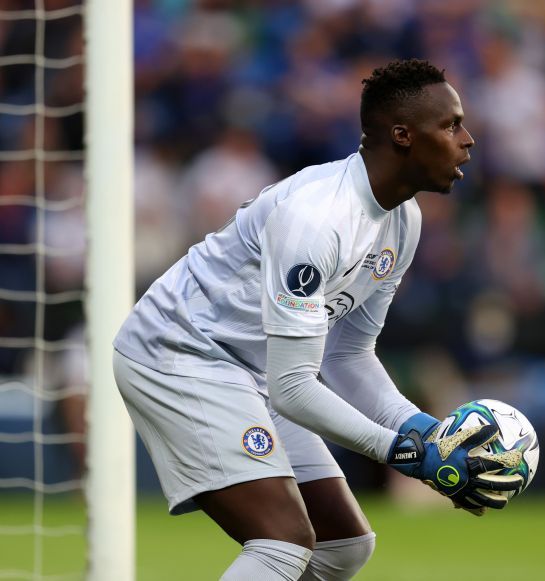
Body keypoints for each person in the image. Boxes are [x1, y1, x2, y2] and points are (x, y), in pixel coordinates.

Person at [112, 59, 523, 581]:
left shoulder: (403, 220)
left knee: (343, 546)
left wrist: (425, 433)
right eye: (450, 125)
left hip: (254, 370)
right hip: (180, 355)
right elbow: (292, 389)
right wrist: (405, 453)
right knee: (281, 542)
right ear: (402, 136)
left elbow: (348, 356)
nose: (467, 139)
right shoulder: (317, 220)